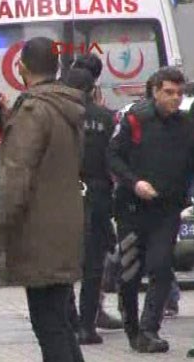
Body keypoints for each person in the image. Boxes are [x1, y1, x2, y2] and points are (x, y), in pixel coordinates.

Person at [0, 37, 85, 362]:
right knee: (59, 322)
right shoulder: (67, 106)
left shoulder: (33, 110)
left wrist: (0, 225)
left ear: (22, 67)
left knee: (48, 324)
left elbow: (17, 173)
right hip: (66, 222)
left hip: (38, 230)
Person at [108, 66, 192, 354]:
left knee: (161, 267)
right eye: (168, 92)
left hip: (167, 210)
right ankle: (131, 325)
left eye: (179, 94)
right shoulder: (135, 119)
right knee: (130, 271)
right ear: (155, 91)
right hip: (132, 208)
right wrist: (134, 183)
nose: (174, 99)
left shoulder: (185, 124)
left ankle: (149, 329)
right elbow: (113, 156)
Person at [62, 68, 122, 345]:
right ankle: (87, 326)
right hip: (97, 195)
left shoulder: (56, 117)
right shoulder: (106, 118)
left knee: (63, 264)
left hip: (61, 196)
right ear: (92, 90)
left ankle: (69, 320)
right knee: (93, 265)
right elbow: (116, 160)